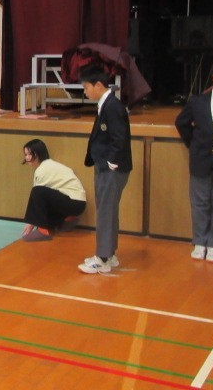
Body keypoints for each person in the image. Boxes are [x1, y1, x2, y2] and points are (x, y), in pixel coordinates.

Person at [175, 58, 213, 263]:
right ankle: (200, 242)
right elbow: (181, 122)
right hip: (201, 159)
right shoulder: (198, 101)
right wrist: (193, 144)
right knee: (200, 202)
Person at [77, 64, 132, 274]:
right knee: (108, 210)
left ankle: (102, 258)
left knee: (105, 212)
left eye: (86, 87)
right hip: (106, 166)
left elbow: (119, 138)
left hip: (112, 169)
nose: (85, 92)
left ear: (98, 85)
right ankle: (110, 254)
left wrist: (111, 163)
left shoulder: (113, 107)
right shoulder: (106, 104)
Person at [21, 139, 86, 242]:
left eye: (30, 154)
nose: (27, 158)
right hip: (77, 204)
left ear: (39, 153)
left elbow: (36, 198)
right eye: (26, 155)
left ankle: (43, 231)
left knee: (37, 192)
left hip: (74, 203)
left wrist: (30, 223)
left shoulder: (43, 169)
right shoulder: (49, 165)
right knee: (43, 200)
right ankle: (67, 220)